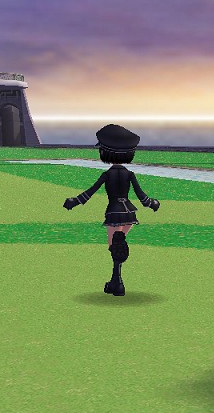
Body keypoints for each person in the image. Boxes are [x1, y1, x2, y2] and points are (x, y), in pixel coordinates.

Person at [63, 124, 161, 296]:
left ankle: (117, 282)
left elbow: (91, 191)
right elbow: (141, 196)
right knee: (118, 244)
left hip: (114, 212)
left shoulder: (107, 174)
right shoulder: (129, 174)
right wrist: (151, 203)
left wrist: (75, 201)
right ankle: (116, 281)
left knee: (114, 247)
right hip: (129, 213)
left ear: (105, 152)